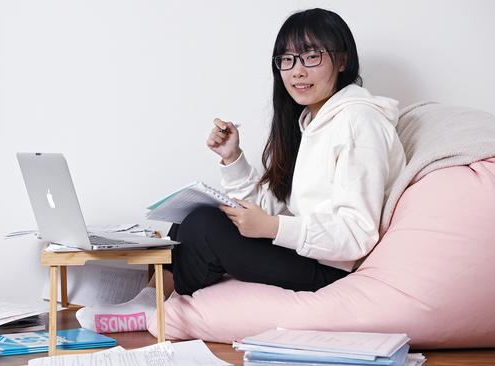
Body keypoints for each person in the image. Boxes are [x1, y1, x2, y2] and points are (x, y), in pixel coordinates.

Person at [76, 8, 406, 333]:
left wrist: (274, 228)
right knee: (194, 217)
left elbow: (356, 234)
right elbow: (281, 206)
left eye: (311, 56)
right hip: (310, 254)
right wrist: (233, 158)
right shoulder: (312, 122)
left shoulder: (358, 122)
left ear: (343, 60)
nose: (296, 71)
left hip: (333, 271)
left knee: (204, 227)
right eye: (286, 60)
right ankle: (150, 300)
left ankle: (150, 308)